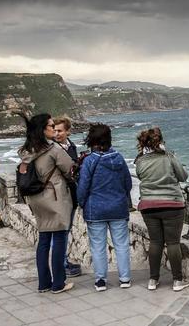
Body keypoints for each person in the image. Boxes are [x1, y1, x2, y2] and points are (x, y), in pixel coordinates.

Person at [18, 113, 75, 294]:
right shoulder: (54, 149)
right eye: (51, 126)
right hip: (55, 198)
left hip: (36, 198)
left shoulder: (26, 150)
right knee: (59, 239)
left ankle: (44, 283)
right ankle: (58, 283)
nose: (54, 129)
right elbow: (70, 169)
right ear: (43, 129)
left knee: (43, 240)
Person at [134, 127, 189, 292]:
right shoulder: (168, 157)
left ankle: (153, 280)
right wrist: (173, 158)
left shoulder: (140, 161)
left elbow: (140, 176)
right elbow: (183, 176)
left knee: (155, 242)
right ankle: (177, 281)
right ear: (160, 142)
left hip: (148, 206)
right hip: (172, 204)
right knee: (173, 242)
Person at [77, 123, 132, 292]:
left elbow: (83, 186)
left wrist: (81, 203)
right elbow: (128, 184)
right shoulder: (119, 158)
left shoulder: (89, 161)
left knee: (98, 246)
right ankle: (125, 279)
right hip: (118, 207)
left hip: (96, 209)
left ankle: (101, 280)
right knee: (122, 244)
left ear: (92, 139)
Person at [53, 115, 81, 278]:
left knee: (66, 229)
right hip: (58, 195)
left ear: (68, 132)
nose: (56, 134)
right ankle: (61, 265)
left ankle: (63, 262)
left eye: (60, 131)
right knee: (61, 231)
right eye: (54, 130)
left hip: (72, 195)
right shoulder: (52, 149)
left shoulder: (72, 147)